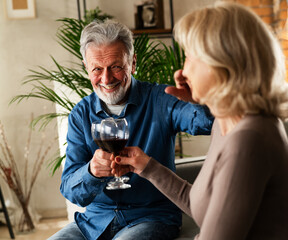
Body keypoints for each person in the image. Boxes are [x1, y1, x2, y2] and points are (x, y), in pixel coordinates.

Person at [113, 2, 288, 240]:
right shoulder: (225, 123)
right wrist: (148, 167)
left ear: (222, 64)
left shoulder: (249, 139)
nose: (181, 73)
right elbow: (201, 207)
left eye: (189, 58)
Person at [48, 19, 213, 240]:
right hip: (94, 222)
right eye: (97, 69)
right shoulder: (81, 114)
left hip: (151, 217)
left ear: (133, 63)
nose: (106, 79)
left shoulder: (161, 99)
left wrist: (198, 98)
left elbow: (205, 123)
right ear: (86, 67)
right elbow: (71, 190)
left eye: (116, 67)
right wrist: (92, 172)